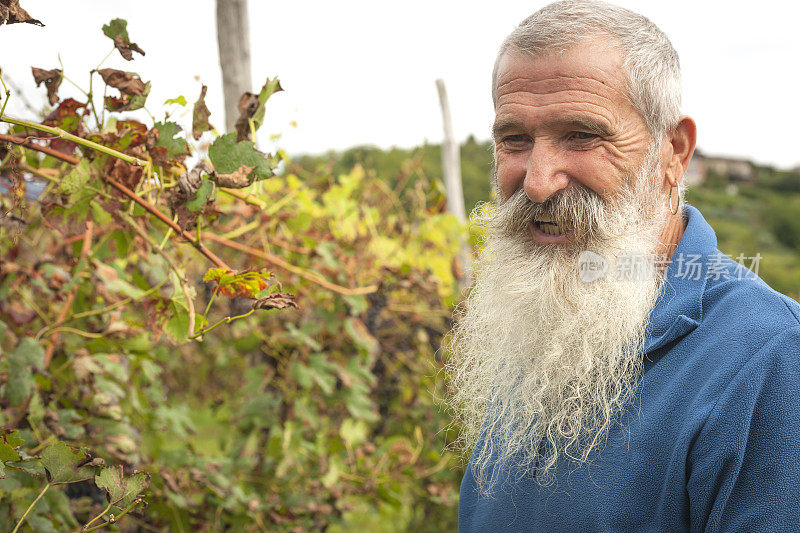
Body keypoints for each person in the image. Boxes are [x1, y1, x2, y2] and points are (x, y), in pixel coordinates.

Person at [446, 1, 800, 531]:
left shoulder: (769, 359)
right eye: (514, 140)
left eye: (583, 136)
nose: (539, 181)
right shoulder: (543, 317)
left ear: (674, 152)